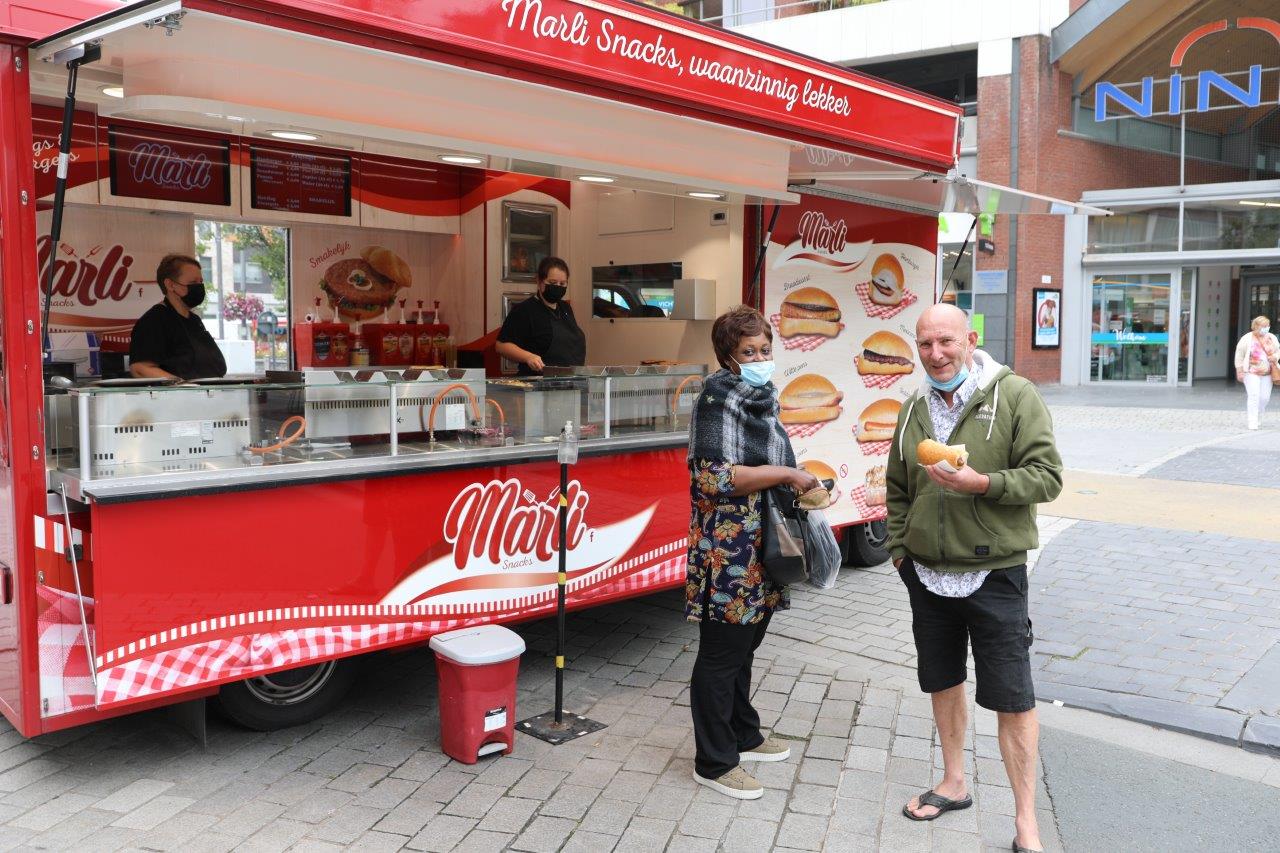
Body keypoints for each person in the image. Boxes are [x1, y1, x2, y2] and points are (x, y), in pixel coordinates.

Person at [886, 304, 1062, 853]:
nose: (936, 354)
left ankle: (1026, 822)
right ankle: (953, 781)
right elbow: (897, 487)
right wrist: (900, 552)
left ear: (970, 339)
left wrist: (983, 483)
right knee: (942, 680)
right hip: (927, 575)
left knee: (1013, 698)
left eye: (946, 341)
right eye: (925, 344)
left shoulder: (1014, 396)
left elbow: (1048, 477)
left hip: (995, 573)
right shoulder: (913, 407)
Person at [684, 306, 820, 801]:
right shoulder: (716, 399)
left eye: (765, 349)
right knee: (721, 655)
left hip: (762, 542)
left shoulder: (763, 398)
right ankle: (714, 762)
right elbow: (713, 477)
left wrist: (800, 486)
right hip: (728, 550)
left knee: (746, 645)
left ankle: (743, 733)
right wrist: (788, 475)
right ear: (728, 356)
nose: (761, 358)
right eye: (749, 351)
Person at [129, 253, 227, 380]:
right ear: (170, 285)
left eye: (201, 282)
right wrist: (183, 385)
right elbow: (140, 369)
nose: (199, 287)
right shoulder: (154, 321)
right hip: (179, 393)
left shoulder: (195, 320)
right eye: (193, 283)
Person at [495, 257, 586, 375]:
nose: (558, 286)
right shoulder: (524, 310)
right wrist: (528, 357)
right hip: (538, 381)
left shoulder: (565, 308)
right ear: (539, 281)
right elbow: (501, 346)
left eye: (562, 283)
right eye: (552, 283)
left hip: (569, 380)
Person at [1234, 316, 1279, 430]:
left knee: (1264, 398)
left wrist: (1275, 357)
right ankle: (1252, 421)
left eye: (1268, 326)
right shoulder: (1247, 338)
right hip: (1251, 372)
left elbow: (1278, 351)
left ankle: (1258, 414)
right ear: (1256, 326)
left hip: (1267, 373)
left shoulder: (1272, 337)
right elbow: (1239, 355)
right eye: (1264, 326)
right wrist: (1239, 370)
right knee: (1254, 396)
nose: (1266, 328)